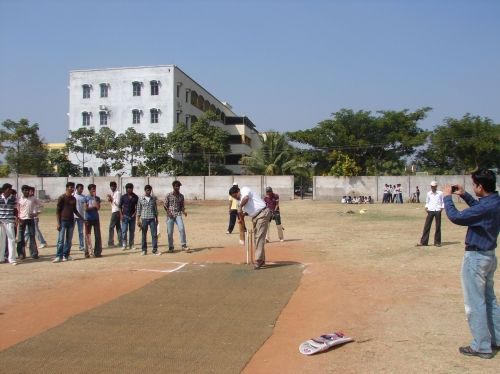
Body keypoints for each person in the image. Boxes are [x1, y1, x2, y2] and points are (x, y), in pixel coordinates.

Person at [443, 169, 500, 359]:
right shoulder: (494, 202)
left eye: (474, 185)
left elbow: (457, 217)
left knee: (475, 302)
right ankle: (497, 339)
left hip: (476, 258)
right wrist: (465, 195)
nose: (473, 187)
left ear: (480, 187)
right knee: (490, 299)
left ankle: (481, 346)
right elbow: (479, 210)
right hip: (489, 255)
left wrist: (447, 198)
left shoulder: (485, 208)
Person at [229, 185, 272, 270]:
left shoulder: (244, 190)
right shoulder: (239, 202)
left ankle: (258, 260)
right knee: (257, 239)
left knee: (259, 237)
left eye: (235, 196)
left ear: (238, 191)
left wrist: (240, 207)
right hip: (256, 217)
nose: (236, 198)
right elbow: (247, 212)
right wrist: (242, 217)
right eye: (233, 198)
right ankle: (262, 260)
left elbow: (246, 198)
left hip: (263, 213)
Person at [54, 182, 83, 263]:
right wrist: (58, 223)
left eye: (73, 187)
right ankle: (58, 256)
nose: (72, 189)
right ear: (67, 188)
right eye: (71, 187)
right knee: (60, 240)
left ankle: (66, 255)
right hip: (63, 221)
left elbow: (75, 210)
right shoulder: (62, 197)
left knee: (69, 240)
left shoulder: (73, 199)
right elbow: (57, 211)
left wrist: (82, 218)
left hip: (71, 221)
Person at [164, 180, 189, 252]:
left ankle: (183, 245)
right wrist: (168, 212)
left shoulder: (181, 196)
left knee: (181, 229)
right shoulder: (168, 195)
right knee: (170, 232)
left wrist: (184, 211)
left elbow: (182, 206)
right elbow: (165, 205)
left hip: (178, 214)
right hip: (170, 215)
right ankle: (171, 247)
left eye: (179, 186)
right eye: (176, 186)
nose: (178, 187)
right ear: (173, 186)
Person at [417, 181, 444, 247]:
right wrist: (426, 207)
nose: (433, 187)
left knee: (438, 226)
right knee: (427, 226)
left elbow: (443, 201)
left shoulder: (440, 193)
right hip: (430, 210)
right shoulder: (429, 193)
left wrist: (441, 208)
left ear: (436, 186)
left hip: (437, 210)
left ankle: (437, 242)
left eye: (434, 186)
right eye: (432, 186)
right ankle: (424, 242)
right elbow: (427, 201)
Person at [16, 185, 39, 260]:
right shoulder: (19, 199)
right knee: (20, 237)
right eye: (25, 190)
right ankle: (21, 254)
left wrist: (36, 213)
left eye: (27, 190)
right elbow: (17, 210)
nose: (26, 192)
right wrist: (18, 218)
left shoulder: (32, 198)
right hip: (22, 219)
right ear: (22, 191)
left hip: (30, 219)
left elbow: (41, 205)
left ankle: (34, 253)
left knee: (32, 236)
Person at [137, 185, 160, 255]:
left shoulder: (153, 199)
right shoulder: (141, 198)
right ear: (145, 190)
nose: (148, 191)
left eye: (150, 190)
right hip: (144, 218)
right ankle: (144, 250)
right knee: (144, 234)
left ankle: (155, 250)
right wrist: (138, 220)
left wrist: (157, 218)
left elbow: (155, 209)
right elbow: (138, 209)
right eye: (147, 190)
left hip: (152, 218)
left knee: (154, 234)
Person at [0, 183, 18, 265]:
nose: (11, 190)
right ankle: (1, 258)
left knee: (12, 239)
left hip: (10, 221)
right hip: (1, 222)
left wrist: (15, 219)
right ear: (6, 189)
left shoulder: (13, 198)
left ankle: (12, 259)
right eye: (10, 189)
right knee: (1, 240)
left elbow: (15, 210)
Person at [84, 184, 102, 258]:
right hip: (88, 218)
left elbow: (98, 208)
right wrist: (92, 206)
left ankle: (97, 252)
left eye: (94, 189)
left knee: (97, 235)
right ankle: (87, 252)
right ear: (89, 190)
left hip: (96, 218)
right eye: (92, 189)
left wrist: (95, 201)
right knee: (88, 235)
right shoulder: (86, 198)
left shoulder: (97, 198)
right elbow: (86, 209)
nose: (94, 190)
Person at [119, 183, 138, 250]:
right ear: (126, 189)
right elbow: (120, 206)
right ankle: (124, 244)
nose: (130, 189)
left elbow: (137, 207)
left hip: (132, 216)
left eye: (131, 188)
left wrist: (135, 213)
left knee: (132, 231)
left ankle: (131, 244)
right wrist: (121, 215)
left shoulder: (135, 197)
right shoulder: (123, 197)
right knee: (124, 231)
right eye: (128, 188)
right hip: (125, 216)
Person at [107, 181, 122, 248]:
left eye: (114, 186)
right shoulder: (113, 193)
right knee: (118, 227)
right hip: (115, 211)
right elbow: (111, 202)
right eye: (111, 186)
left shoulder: (118, 193)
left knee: (111, 227)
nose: (112, 187)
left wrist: (112, 198)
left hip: (116, 211)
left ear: (116, 186)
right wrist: (110, 198)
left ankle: (111, 243)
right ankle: (121, 241)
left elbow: (118, 203)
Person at [74, 183, 86, 251]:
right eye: (80, 188)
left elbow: (85, 207)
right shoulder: (73, 196)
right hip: (73, 216)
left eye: (82, 188)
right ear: (77, 188)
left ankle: (81, 246)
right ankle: (68, 245)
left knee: (81, 232)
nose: (81, 190)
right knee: (71, 231)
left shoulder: (83, 197)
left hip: (81, 217)